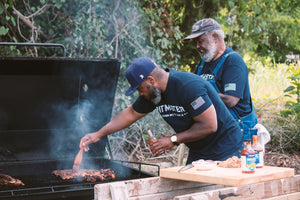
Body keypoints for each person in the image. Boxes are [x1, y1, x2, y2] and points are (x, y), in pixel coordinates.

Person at [79, 57, 243, 164]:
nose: (141, 94)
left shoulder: (187, 86)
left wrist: (172, 139)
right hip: (200, 150)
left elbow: (209, 126)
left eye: (140, 89)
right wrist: (98, 134)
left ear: (150, 80)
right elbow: (129, 114)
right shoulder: (154, 95)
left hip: (225, 146)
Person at [183, 18, 257, 139]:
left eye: (200, 41)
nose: (197, 46)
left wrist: (198, 98)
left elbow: (230, 100)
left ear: (215, 37)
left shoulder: (233, 62)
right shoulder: (202, 65)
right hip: (217, 129)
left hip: (239, 132)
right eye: (195, 42)